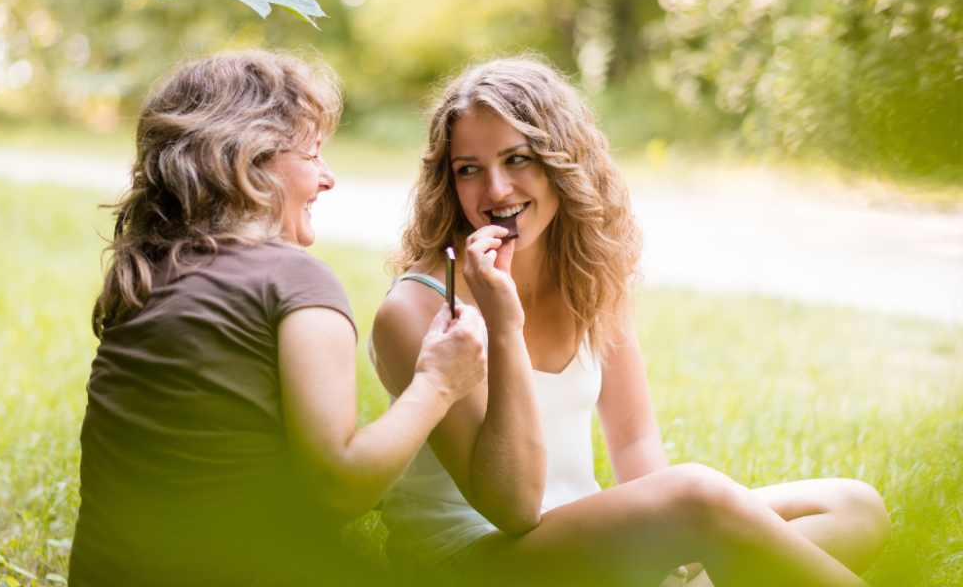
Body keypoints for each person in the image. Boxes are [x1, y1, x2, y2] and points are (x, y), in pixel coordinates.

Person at [369, 56, 891, 587]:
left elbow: (635, 439)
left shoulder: (588, 275)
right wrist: (503, 325)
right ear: (448, 181)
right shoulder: (416, 311)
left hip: (578, 536)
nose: (497, 189)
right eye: (469, 169)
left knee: (852, 506)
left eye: (517, 158)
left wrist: (677, 554)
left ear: (561, 161)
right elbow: (514, 509)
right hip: (472, 560)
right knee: (696, 496)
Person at [67, 50, 487, 587]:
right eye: (313, 155)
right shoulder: (294, 281)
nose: (329, 177)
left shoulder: (146, 277)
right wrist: (437, 383)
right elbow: (340, 487)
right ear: (250, 160)